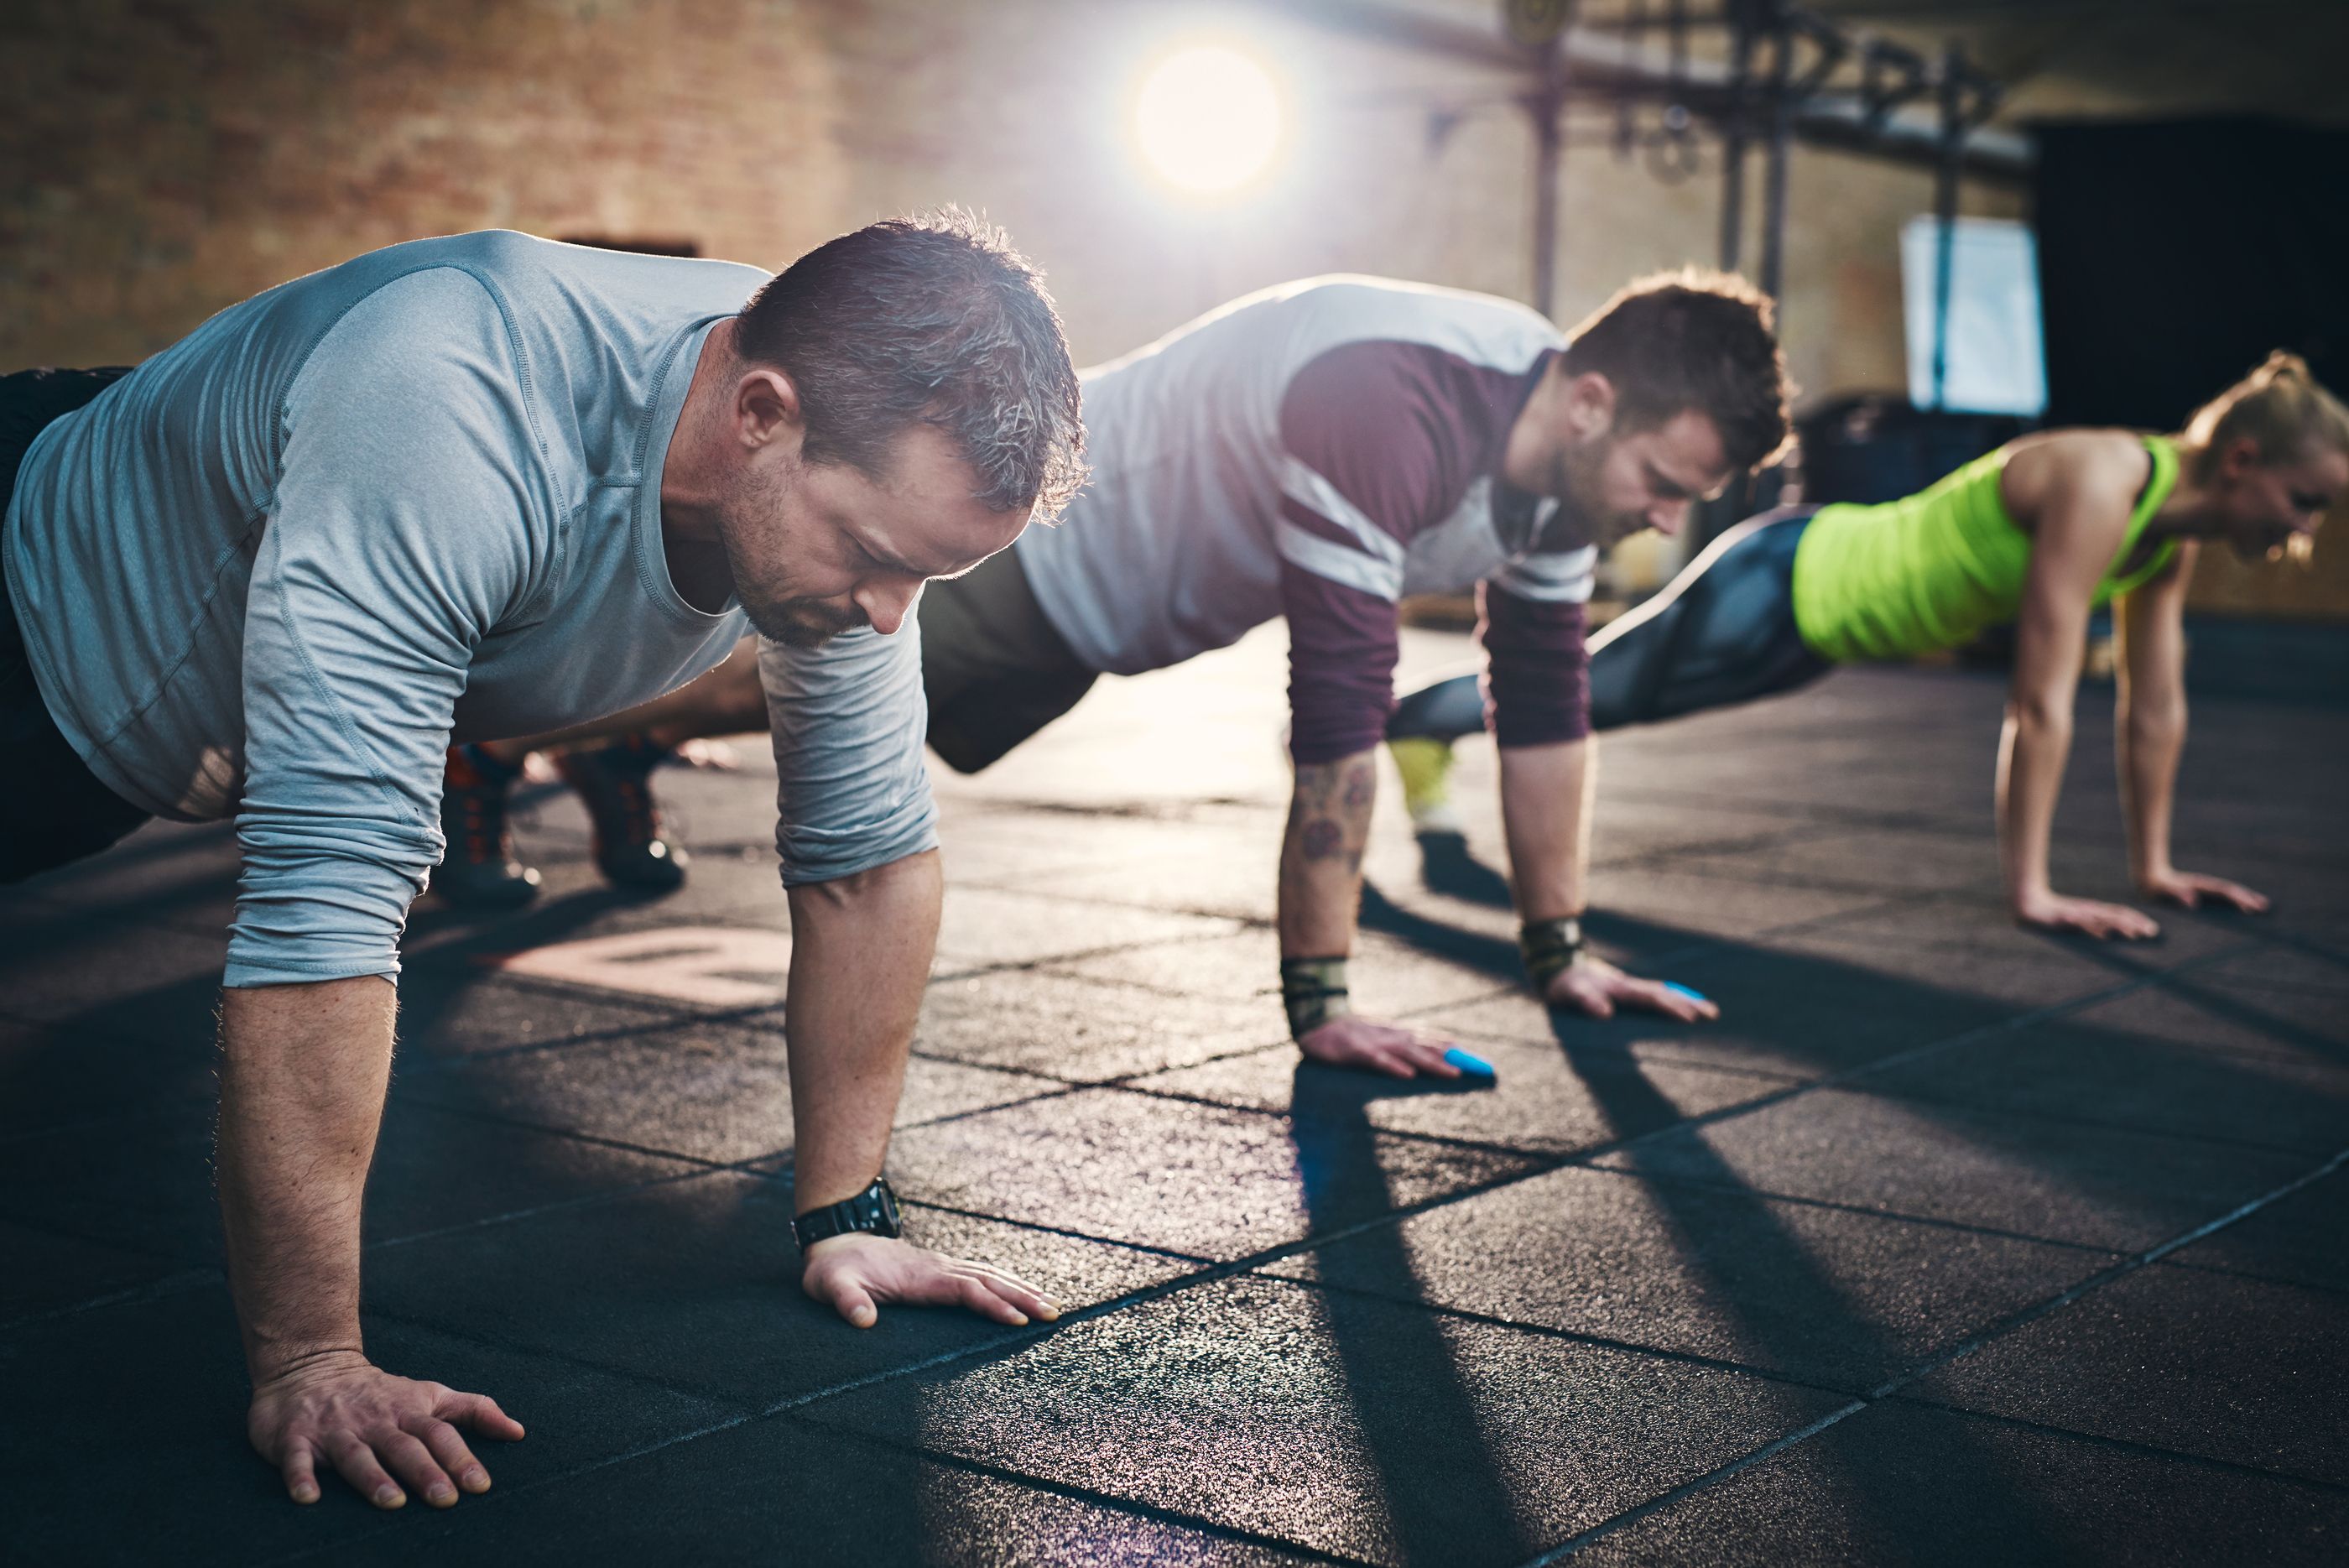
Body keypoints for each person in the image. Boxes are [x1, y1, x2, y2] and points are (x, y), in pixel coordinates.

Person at [0, 214, 1085, 1508]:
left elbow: (866, 857)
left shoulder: (839, 440)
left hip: (167, 669)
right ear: (757, 413)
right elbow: (325, 903)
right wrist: (313, 1360)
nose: (889, 614)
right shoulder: (454, 398)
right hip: (34, 628)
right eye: (870, 553)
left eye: (932, 573)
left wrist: (846, 1216)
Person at [487, 269, 1796, 1076]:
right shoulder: (1391, 400)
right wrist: (1321, 1003)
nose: (1668, 519)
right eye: (1664, 483)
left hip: (1104, 628)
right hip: (1031, 555)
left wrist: (1559, 951)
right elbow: (1338, 717)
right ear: (1587, 406)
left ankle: (601, 747)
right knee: (750, 681)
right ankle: (487, 740)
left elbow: (1548, 711)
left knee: (766, 706)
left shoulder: (1571, 486)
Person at [1387, 352, 2346, 939]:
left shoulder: (2167, 531)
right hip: (1786, 581)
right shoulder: (2104, 479)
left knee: (1606, 697)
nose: (2302, 533)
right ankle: (1405, 722)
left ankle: (1422, 726)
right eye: (2306, 503)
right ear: (2243, 460)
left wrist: (2156, 869)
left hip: (1810, 634)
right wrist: (2034, 892)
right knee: (1587, 696)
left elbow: (2155, 706)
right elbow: (2041, 697)